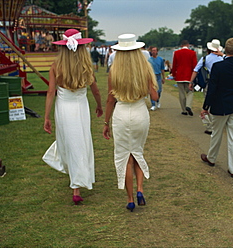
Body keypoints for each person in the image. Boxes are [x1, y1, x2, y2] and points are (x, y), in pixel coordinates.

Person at [42, 29, 103, 205]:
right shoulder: (86, 67)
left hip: (63, 107)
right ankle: (77, 182)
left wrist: (47, 117)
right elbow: (95, 90)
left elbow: (51, 92)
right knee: (81, 140)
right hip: (80, 106)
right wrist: (99, 105)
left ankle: (76, 183)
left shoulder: (56, 66)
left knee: (69, 141)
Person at [103, 34, 158, 212]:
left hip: (121, 113)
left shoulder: (114, 72)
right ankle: (140, 189)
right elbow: (154, 96)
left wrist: (105, 122)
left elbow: (110, 100)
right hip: (140, 112)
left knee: (125, 157)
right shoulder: (145, 69)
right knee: (137, 151)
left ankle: (130, 198)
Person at [200, 38, 233, 178]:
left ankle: (212, 157)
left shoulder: (218, 67)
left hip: (220, 104)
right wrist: (226, 55)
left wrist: (205, 107)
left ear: (224, 50)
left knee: (217, 133)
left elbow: (212, 88)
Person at [189, 39, 224, 135]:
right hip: (222, 84)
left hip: (210, 83)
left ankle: (210, 126)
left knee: (208, 104)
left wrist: (191, 81)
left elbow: (196, 70)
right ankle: (218, 125)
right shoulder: (223, 58)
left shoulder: (205, 59)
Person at [171, 40, 197, 116]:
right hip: (189, 75)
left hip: (179, 75)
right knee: (190, 92)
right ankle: (188, 105)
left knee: (181, 93)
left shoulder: (176, 53)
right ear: (188, 45)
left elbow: (174, 64)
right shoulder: (192, 53)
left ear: (181, 45)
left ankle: (184, 110)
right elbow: (194, 66)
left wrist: (174, 74)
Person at [148, 46, 165, 111]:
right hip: (152, 76)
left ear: (157, 51)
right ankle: (153, 104)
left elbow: (162, 69)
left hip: (158, 76)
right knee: (152, 90)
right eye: (152, 50)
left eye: (155, 50)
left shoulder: (160, 59)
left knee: (159, 90)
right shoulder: (149, 60)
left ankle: (157, 100)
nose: (154, 52)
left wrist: (163, 77)